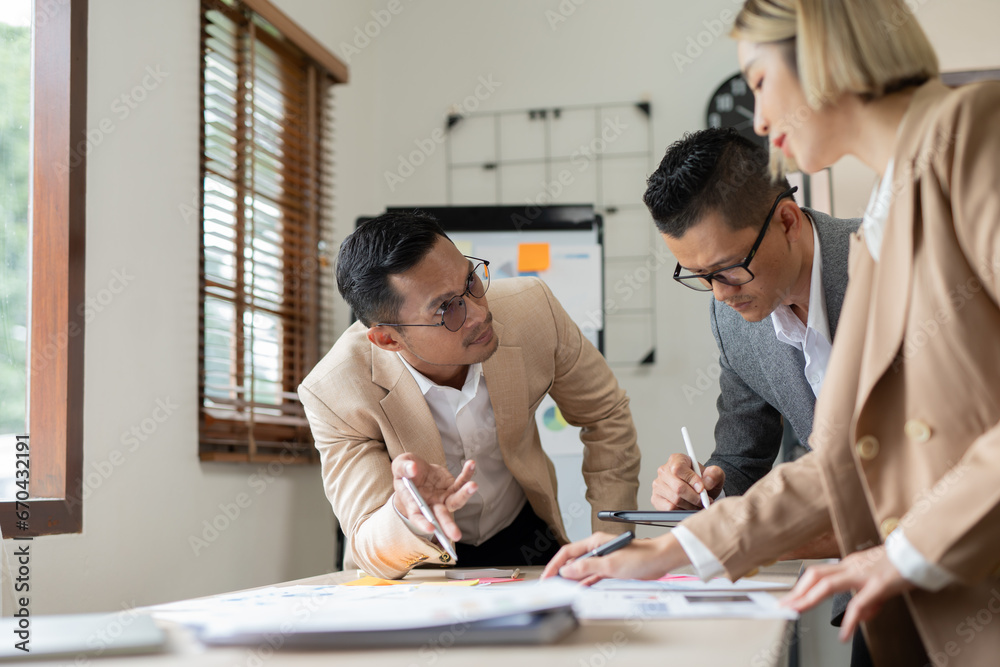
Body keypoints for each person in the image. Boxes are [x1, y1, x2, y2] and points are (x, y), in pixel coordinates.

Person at [544, 1, 1000, 665]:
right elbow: (840, 459)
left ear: (822, 53)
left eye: (759, 81)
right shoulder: (883, 222)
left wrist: (904, 549)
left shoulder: (972, 132)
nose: (758, 121)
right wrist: (666, 551)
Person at [299, 211, 640, 579]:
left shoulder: (532, 310)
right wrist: (406, 513)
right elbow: (367, 534)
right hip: (419, 561)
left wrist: (611, 547)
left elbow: (605, 415)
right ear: (388, 338)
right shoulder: (334, 391)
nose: (479, 312)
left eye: (471, 280)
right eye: (446, 308)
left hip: (524, 531)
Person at [643, 127, 859, 515]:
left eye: (728, 269)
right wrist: (701, 492)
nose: (720, 294)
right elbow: (741, 461)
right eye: (699, 275)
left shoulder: (890, 258)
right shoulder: (734, 322)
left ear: (788, 221)